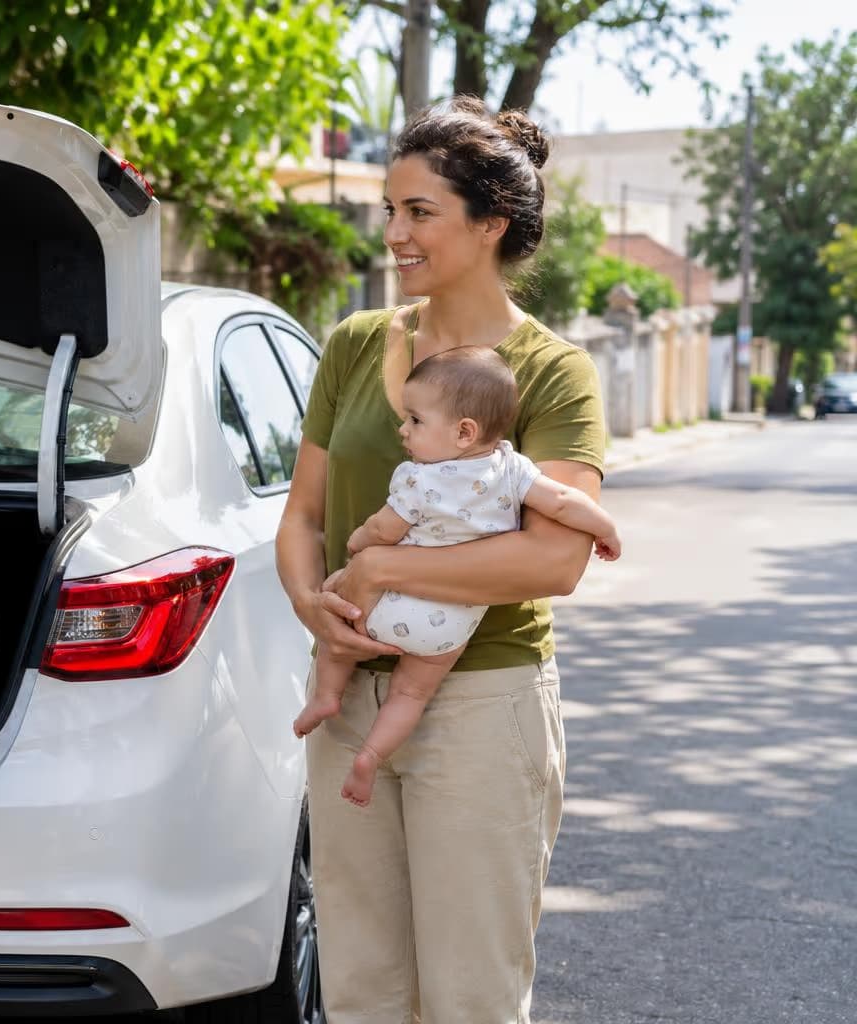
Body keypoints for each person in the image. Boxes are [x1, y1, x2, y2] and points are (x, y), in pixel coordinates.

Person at [275, 96, 607, 1023]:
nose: (394, 234)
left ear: (491, 222)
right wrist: (313, 603)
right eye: (390, 210)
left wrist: (382, 572)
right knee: (361, 990)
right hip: (350, 704)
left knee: (469, 999)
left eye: (419, 212)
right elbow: (302, 517)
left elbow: (552, 561)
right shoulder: (353, 344)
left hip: (481, 705)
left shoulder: (552, 372)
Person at [292, 346, 621, 808]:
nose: (402, 430)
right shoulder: (513, 470)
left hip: (391, 604)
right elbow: (565, 502)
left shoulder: (418, 480)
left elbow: (386, 528)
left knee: (339, 622)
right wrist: (605, 530)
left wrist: (359, 543)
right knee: (410, 692)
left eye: (415, 421)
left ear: (464, 431)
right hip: (453, 625)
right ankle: (370, 757)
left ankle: (326, 696)